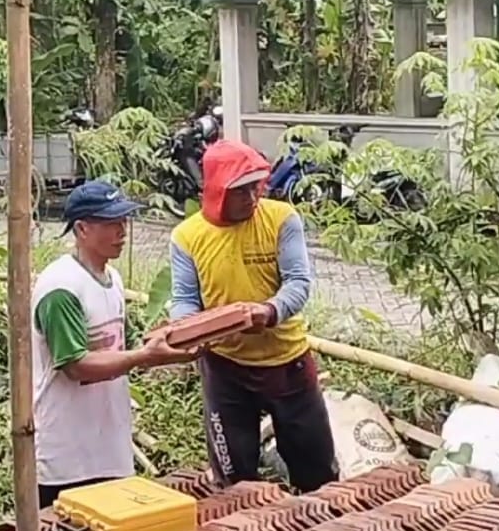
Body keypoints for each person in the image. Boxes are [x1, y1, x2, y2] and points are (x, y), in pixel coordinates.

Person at [169, 139, 338, 491]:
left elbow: (298, 281)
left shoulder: (281, 219)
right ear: (216, 191)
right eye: (241, 191)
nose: (251, 198)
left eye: (255, 187)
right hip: (226, 369)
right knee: (234, 478)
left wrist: (269, 310)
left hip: (287, 362)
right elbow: (185, 299)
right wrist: (189, 329)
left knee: (317, 472)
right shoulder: (187, 236)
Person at [33, 181, 194, 508]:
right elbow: (75, 365)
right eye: (110, 223)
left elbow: (119, 347)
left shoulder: (113, 279)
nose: (122, 231)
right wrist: (144, 357)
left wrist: (164, 342)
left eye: (124, 221)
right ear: (81, 228)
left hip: (109, 445)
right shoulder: (61, 289)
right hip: (67, 455)